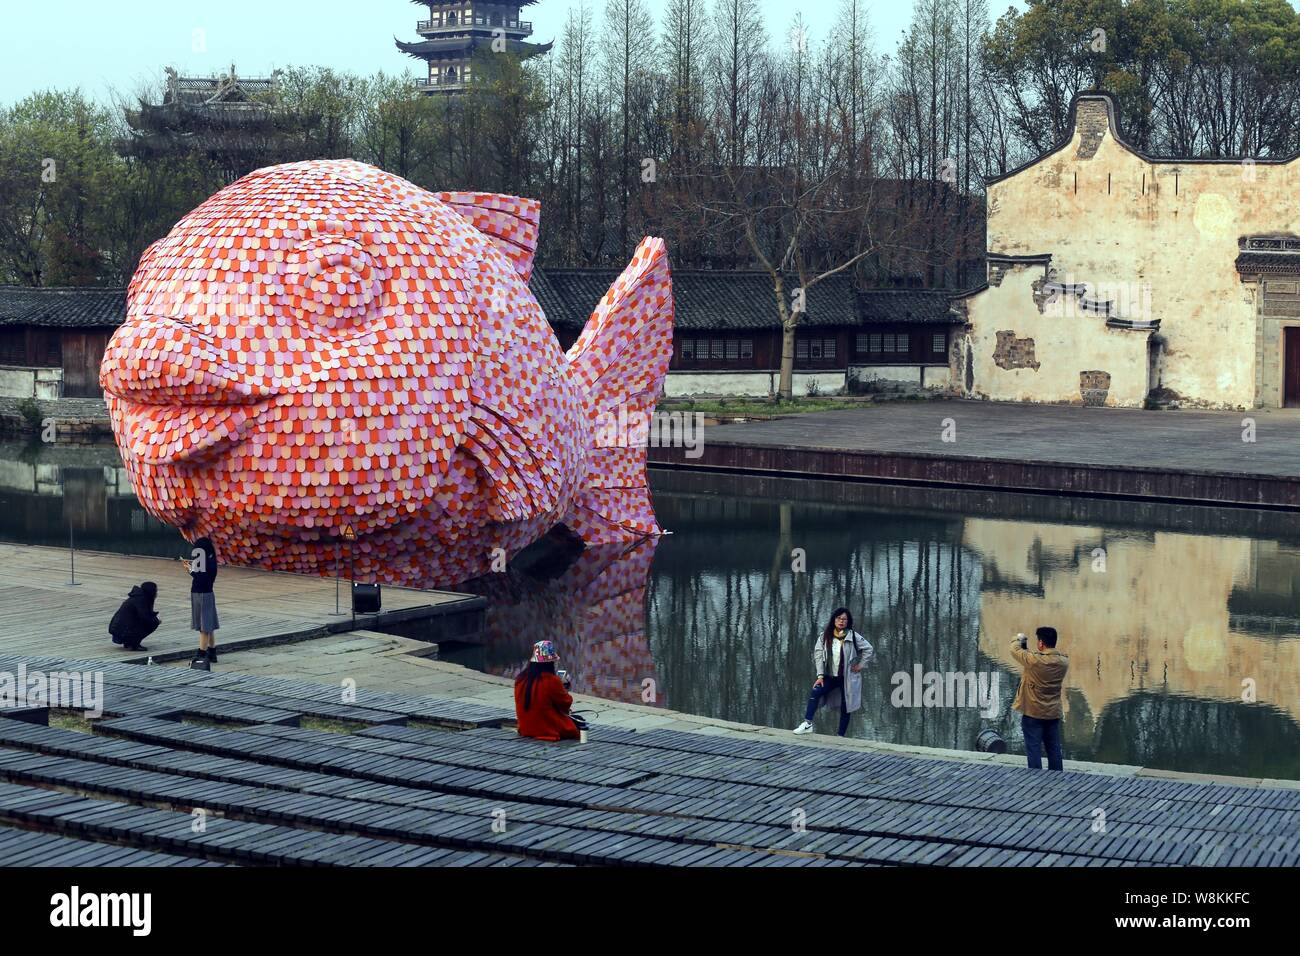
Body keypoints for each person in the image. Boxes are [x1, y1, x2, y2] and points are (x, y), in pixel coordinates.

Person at [793, 607, 874, 737]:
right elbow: (818, 655)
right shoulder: (824, 636)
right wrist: (820, 675)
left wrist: (860, 665)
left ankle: (840, 735)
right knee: (816, 691)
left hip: (846, 677)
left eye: (844, 619)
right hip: (830, 676)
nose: (841, 621)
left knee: (846, 705)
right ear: (834, 620)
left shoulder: (852, 635)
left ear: (848, 622)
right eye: (838, 618)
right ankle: (807, 724)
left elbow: (868, 649)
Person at [1010, 626, 1070, 771]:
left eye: (1038, 641)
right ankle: (1056, 777)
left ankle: (1036, 779)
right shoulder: (1063, 662)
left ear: (1041, 643)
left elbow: (1015, 650)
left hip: (1033, 713)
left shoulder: (1034, 660)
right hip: (1053, 713)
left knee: (1034, 749)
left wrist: (1019, 639)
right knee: (1054, 748)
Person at [514, 640, 581, 742]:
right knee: (578, 726)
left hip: (525, 728)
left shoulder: (521, 679)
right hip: (545, 729)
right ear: (550, 662)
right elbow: (566, 704)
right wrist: (564, 687)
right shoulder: (551, 680)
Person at [184, 536, 220, 664]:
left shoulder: (207, 563)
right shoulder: (209, 560)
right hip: (201, 593)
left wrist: (192, 570)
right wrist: (191, 570)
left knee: (204, 626)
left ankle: (202, 653)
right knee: (208, 624)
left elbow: (202, 579)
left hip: (203, 594)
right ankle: (212, 651)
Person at [108, 581, 160, 652]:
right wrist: (156, 620)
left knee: (150, 621)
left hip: (118, 629)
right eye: (155, 591)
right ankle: (134, 644)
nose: (157, 593)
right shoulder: (141, 600)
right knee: (153, 623)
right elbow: (145, 617)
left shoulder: (138, 597)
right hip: (121, 631)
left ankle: (129, 642)